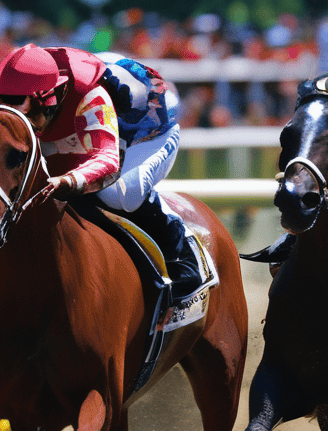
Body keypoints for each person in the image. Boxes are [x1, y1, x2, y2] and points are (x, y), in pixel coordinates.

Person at [0, 44, 201, 301]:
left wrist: (70, 180)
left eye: (18, 104)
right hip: (83, 129)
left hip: (146, 132)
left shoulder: (88, 96)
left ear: (48, 99)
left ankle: (178, 243)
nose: (11, 113)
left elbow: (108, 161)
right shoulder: (21, 100)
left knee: (120, 194)